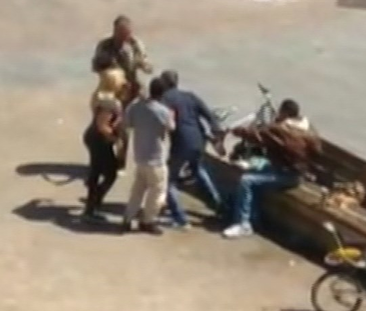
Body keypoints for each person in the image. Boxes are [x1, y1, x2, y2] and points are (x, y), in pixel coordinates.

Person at [221, 99, 321, 239]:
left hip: (285, 175)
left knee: (246, 181)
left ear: (284, 113)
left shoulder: (281, 129)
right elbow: (317, 151)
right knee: (254, 174)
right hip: (298, 173)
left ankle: (243, 225)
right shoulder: (309, 128)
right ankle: (253, 219)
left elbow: (257, 136)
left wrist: (236, 130)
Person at [158, 70, 224, 228]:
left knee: (168, 179)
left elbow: (162, 121)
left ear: (164, 83)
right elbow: (209, 115)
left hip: (181, 142)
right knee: (198, 171)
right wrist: (216, 132)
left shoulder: (165, 99)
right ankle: (220, 206)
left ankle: (180, 218)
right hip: (199, 140)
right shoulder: (190, 96)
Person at [93, 16, 151, 170]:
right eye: (122, 34)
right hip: (110, 90)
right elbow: (96, 66)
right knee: (102, 125)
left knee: (124, 128)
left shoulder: (135, 45)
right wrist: (109, 70)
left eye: (127, 34)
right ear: (115, 31)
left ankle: (121, 161)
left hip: (130, 89)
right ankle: (103, 157)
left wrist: (144, 66)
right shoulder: (105, 46)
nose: (125, 37)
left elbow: (144, 62)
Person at [122, 77, 175, 235]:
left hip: (140, 156)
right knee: (157, 192)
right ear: (163, 93)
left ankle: (128, 218)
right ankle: (148, 221)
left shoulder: (137, 106)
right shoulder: (162, 111)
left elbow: (127, 123)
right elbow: (171, 127)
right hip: (156, 158)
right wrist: (172, 115)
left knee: (137, 190)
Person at [82, 70, 128, 221]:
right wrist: (115, 140)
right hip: (99, 140)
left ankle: (93, 205)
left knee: (98, 172)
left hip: (95, 138)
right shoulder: (109, 103)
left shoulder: (103, 97)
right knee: (109, 172)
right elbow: (103, 126)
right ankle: (92, 207)